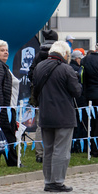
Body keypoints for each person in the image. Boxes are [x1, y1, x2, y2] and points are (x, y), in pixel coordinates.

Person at [33, 41, 81, 192]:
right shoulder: (66, 69)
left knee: (48, 150)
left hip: (45, 114)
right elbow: (76, 91)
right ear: (65, 54)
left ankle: (48, 181)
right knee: (61, 150)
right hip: (63, 115)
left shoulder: (39, 67)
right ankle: (57, 182)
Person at [28, 28, 58, 163]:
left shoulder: (39, 55)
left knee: (40, 125)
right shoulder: (57, 56)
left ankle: (40, 153)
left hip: (40, 95)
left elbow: (30, 74)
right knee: (57, 124)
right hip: (56, 95)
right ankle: (53, 152)